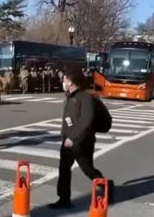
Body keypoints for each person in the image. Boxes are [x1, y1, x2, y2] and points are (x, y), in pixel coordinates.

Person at [48, 69, 108, 209]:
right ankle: (64, 199)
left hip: (82, 142)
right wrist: (64, 135)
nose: (62, 82)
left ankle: (107, 187)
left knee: (88, 169)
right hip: (68, 141)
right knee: (64, 169)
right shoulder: (69, 96)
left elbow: (86, 120)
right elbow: (69, 119)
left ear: (70, 82)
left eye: (64, 80)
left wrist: (73, 137)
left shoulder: (85, 98)